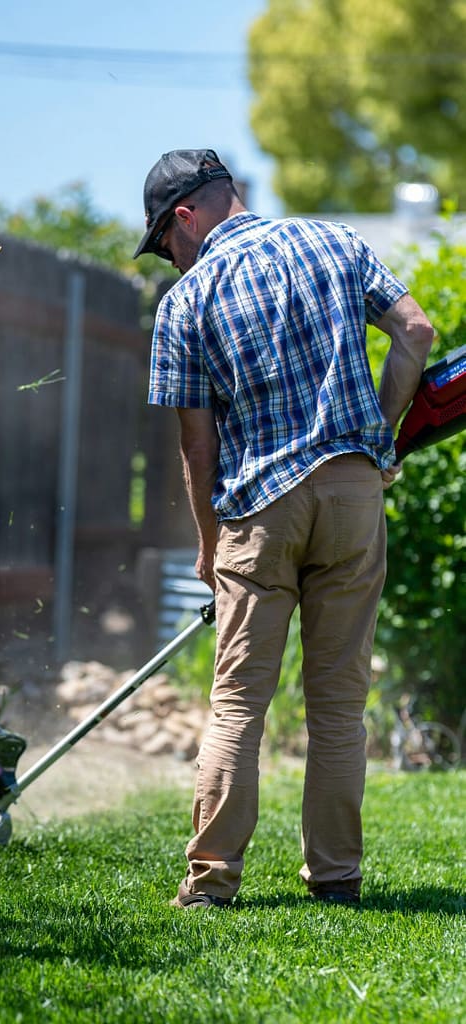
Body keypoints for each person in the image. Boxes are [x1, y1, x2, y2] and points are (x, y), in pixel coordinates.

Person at [134, 149, 435, 909]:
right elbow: (417, 332)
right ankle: (336, 879)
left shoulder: (186, 302)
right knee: (339, 704)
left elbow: (197, 450)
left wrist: (209, 549)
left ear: (185, 218)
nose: (172, 262)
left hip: (259, 512)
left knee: (239, 703)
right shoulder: (335, 241)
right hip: (353, 495)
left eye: (167, 246)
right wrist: (382, 441)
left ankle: (211, 885)